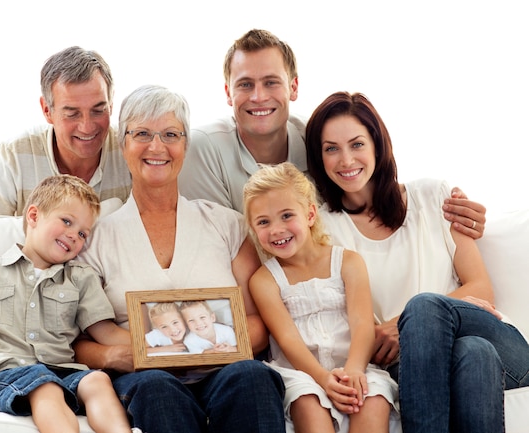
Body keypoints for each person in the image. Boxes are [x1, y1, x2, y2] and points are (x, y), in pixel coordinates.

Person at [305, 91, 529, 433]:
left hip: (499, 340)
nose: (346, 159)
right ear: (319, 158)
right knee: (474, 354)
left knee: (425, 309)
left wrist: (405, 323)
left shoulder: (434, 196)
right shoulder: (323, 229)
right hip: (411, 366)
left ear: (378, 146)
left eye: (357, 144)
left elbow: (482, 289)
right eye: (331, 148)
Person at [75, 84, 286, 433]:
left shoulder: (226, 224)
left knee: (252, 376)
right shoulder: (96, 237)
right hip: (144, 377)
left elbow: (258, 324)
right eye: (142, 133)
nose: (156, 146)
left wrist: (205, 347)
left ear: (185, 146)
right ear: (122, 144)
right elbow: (77, 340)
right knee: (157, 389)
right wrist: (113, 356)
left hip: (222, 370)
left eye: (170, 134)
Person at [177, 28, 487, 238]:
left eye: (271, 82)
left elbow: (364, 185)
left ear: (293, 87)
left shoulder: (317, 137)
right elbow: (218, 245)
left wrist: (443, 210)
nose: (258, 97)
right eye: (245, 84)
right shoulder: (202, 149)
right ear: (228, 93)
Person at [0, 175, 139, 433]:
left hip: (61, 370)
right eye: (66, 221)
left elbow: (106, 332)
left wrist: (156, 348)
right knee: (44, 384)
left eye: (82, 233)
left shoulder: (81, 278)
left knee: (97, 380)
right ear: (33, 216)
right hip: (0, 374)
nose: (73, 236)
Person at [243, 162, 398, 433]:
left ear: (311, 214)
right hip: (302, 374)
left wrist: (354, 370)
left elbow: (362, 324)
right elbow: (287, 339)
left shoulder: (348, 262)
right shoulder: (264, 280)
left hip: (356, 365)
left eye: (287, 215)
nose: (277, 229)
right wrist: (323, 379)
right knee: (307, 403)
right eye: (264, 222)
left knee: (373, 402)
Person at [0, 46, 132, 216]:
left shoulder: (130, 149)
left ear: (111, 105)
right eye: (72, 114)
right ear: (47, 110)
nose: (87, 127)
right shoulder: (15, 155)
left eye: (98, 111)